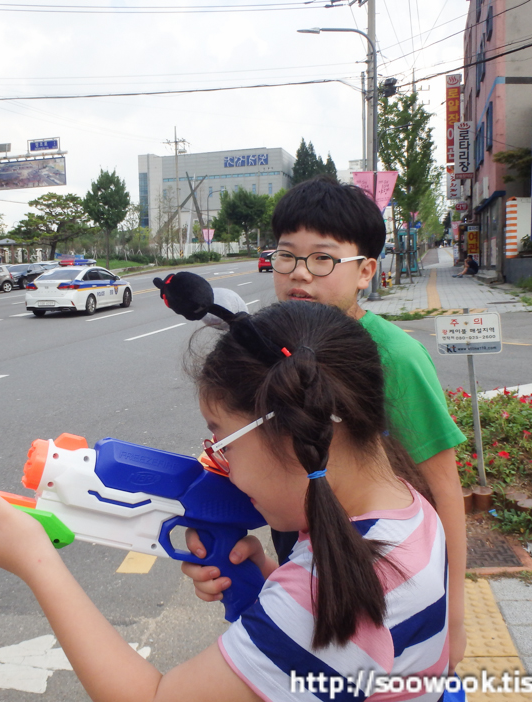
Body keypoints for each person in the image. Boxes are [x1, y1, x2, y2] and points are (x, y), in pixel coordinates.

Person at [0, 301, 449, 701]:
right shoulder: (409, 512)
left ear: (299, 434)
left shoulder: (325, 596)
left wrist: (37, 563)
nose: (219, 461)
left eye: (223, 441)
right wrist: (273, 584)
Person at [183, 175, 468, 673]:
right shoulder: (272, 344)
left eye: (322, 259)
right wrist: (264, 575)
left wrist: (455, 615)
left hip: (371, 578)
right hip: (303, 561)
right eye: (286, 255)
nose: (299, 273)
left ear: (366, 271)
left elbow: (443, 486)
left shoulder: (396, 356)